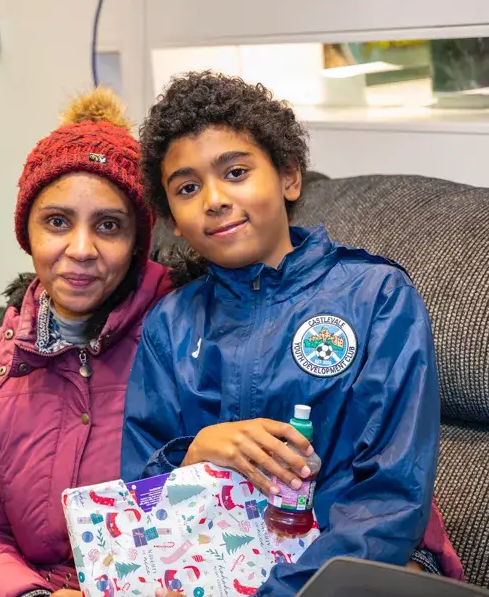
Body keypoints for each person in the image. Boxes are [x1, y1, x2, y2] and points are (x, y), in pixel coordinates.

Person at [121, 71, 463, 597]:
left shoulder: (377, 298)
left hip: (353, 569)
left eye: (235, 171)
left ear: (289, 178)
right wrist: (191, 453)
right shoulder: (169, 327)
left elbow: (390, 496)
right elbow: (139, 491)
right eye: (187, 188)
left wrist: (280, 592)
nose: (212, 199)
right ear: (174, 219)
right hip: (211, 571)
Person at [0, 88, 175, 597]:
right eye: (58, 222)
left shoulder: (183, 339)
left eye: (108, 226)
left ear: (137, 243)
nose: (80, 250)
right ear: (28, 232)